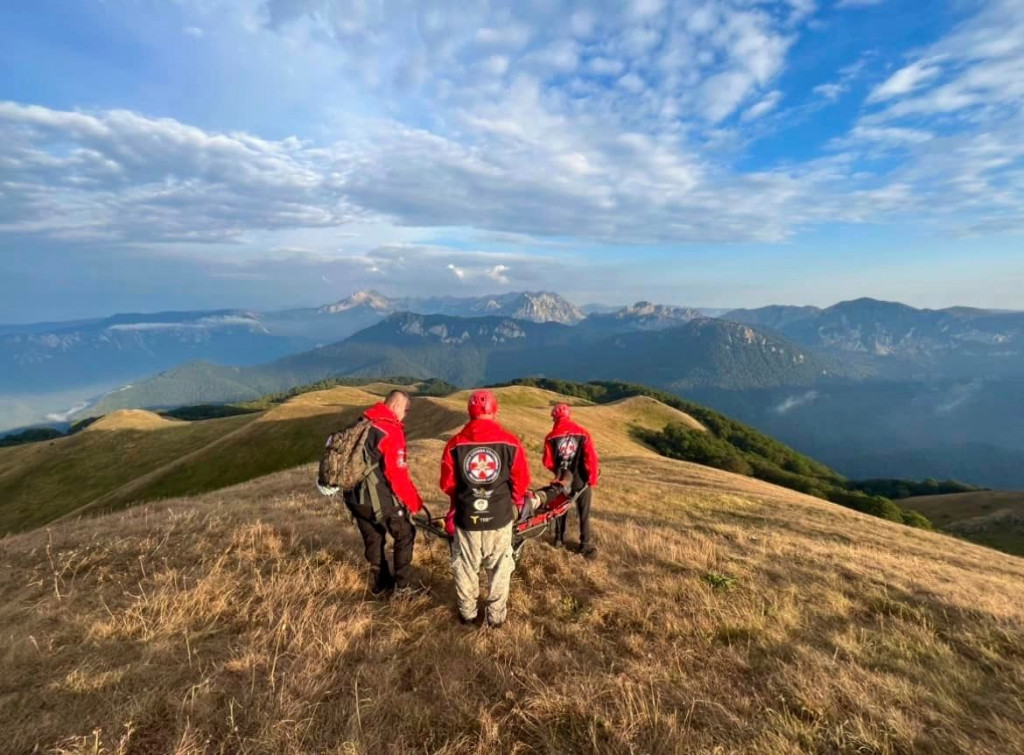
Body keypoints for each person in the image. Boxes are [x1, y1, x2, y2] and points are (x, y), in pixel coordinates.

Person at [440, 389, 531, 628]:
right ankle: (496, 617)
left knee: (466, 567)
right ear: (495, 410)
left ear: (469, 412)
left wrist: (462, 497)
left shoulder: (454, 444)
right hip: (500, 518)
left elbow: (447, 484)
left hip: (467, 518)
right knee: (500, 568)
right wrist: (510, 500)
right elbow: (521, 482)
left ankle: (467, 615)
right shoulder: (510, 442)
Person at [344, 390, 424, 595]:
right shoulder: (390, 431)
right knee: (405, 533)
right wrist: (413, 502)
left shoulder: (362, 422)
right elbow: (397, 475)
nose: (405, 415)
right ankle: (403, 589)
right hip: (375, 499)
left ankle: (380, 585)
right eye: (405, 410)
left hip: (353, 497)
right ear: (396, 406)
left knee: (374, 538)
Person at [543, 403, 600, 558]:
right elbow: (591, 459)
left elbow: (547, 462)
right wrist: (592, 478)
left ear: (554, 418)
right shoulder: (583, 433)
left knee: (560, 511)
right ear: (569, 415)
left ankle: (559, 539)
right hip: (581, 481)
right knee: (584, 514)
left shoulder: (550, 437)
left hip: (562, 481)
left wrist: (558, 470)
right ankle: (584, 545)